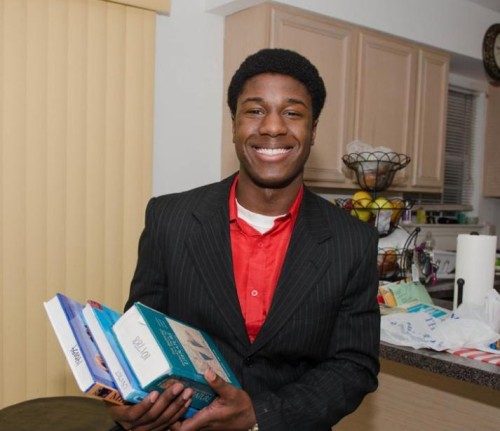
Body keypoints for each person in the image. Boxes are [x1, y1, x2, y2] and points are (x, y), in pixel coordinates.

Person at [108, 48, 380, 431]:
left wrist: (260, 416)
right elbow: (140, 332)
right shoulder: (169, 218)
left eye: (292, 113)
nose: (272, 127)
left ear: (314, 129)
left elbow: (354, 365)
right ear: (234, 124)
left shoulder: (353, 241)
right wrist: (128, 400)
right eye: (255, 110)